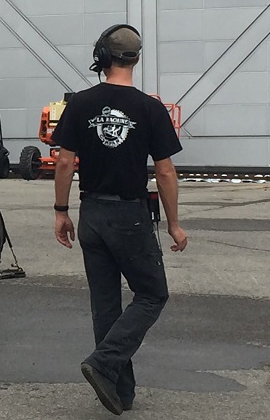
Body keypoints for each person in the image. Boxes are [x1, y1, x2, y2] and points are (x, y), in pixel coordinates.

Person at [52, 24, 188, 415]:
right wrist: (175, 224)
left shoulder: (79, 102)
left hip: (91, 211)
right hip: (129, 214)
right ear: (137, 58)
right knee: (152, 294)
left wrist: (61, 212)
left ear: (103, 56)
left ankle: (120, 393)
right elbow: (164, 171)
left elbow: (64, 161)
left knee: (106, 306)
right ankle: (102, 363)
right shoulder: (149, 108)